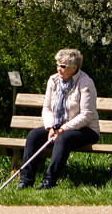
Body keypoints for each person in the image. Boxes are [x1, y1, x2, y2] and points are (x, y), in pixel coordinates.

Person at [18, 48, 99, 190]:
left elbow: (87, 115)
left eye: (63, 66)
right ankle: (26, 180)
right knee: (33, 136)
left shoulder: (86, 83)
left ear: (74, 68)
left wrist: (62, 129)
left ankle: (49, 181)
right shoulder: (53, 80)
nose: (58, 69)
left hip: (85, 129)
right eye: (57, 65)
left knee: (63, 138)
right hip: (57, 127)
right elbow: (47, 108)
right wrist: (50, 127)